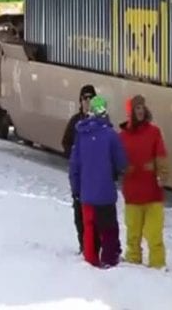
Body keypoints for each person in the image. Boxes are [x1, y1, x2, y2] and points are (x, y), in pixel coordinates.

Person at [70, 95, 128, 268]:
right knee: (108, 230)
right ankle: (109, 260)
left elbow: (75, 165)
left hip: (86, 194)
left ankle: (91, 260)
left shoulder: (81, 135)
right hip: (105, 193)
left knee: (89, 229)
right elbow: (121, 163)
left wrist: (76, 189)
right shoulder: (110, 135)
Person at [119, 95, 169, 269]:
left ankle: (158, 264)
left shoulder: (154, 132)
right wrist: (124, 169)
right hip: (132, 194)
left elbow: (161, 155)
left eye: (141, 107)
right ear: (130, 112)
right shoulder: (122, 137)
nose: (140, 111)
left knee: (154, 234)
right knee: (133, 235)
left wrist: (162, 174)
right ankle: (133, 262)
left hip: (153, 193)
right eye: (136, 108)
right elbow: (117, 161)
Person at [61, 84, 98, 254]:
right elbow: (66, 143)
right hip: (80, 176)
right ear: (80, 101)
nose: (87, 101)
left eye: (91, 98)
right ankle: (84, 245)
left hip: (96, 177)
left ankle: (96, 245)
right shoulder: (75, 122)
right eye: (85, 98)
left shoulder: (101, 122)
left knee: (97, 213)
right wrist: (76, 158)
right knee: (80, 212)